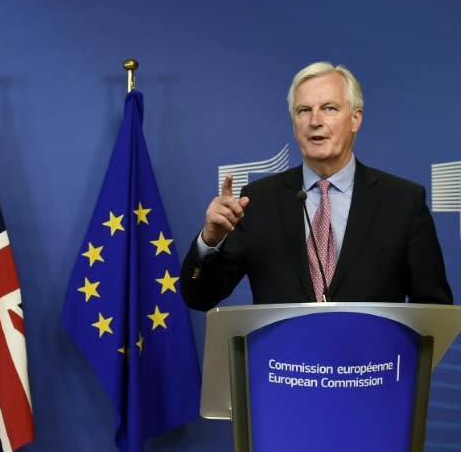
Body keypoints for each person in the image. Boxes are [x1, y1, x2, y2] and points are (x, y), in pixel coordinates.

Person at [181, 61, 453, 311]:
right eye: (304, 111)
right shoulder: (258, 200)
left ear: (355, 119)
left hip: (369, 364)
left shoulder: (403, 202)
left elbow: (433, 309)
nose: (315, 122)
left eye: (329, 108)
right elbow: (200, 297)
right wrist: (210, 241)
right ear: (294, 123)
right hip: (285, 363)